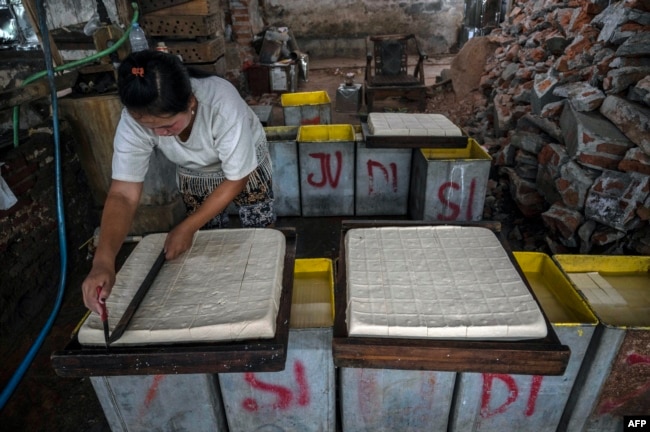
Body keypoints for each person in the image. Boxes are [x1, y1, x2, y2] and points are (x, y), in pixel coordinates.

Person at [81, 50, 275, 315]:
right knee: (205, 244)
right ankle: (218, 304)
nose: (160, 135)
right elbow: (124, 194)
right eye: (151, 128)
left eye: (168, 126)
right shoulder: (135, 118)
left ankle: (258, 294)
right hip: (195, 173)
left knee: (258, 233)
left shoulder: (222, 103)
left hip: (244, 166)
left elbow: (236, 178)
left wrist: (186, 227)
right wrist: (103, 261)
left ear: (191, 102)